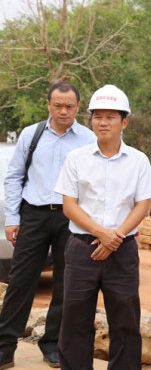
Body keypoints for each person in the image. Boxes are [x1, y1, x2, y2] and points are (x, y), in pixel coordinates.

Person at [54, 84, 151, 369]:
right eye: (97, 116)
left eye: (110, 116)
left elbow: (143, 203)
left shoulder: (137, 160)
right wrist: (102, 234)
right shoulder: (76, 159)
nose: (103, 122)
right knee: (74, 320)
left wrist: (117, 236)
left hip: (122, 252)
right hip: (81, 250)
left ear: (124, 121)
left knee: (125, 321)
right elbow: (69, 206)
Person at [0, 82, 95, 368]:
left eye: (69, 106)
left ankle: (52, 344)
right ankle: (5, 346)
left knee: (67, 282)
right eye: (58, 105)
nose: (63, 111)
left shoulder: (88, 139)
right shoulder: (33, 134)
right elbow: (14, 176)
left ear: (78, 107)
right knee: (20, 281)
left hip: (72, 217)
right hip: (34, 214)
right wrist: (12, 218)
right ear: (48, 105)